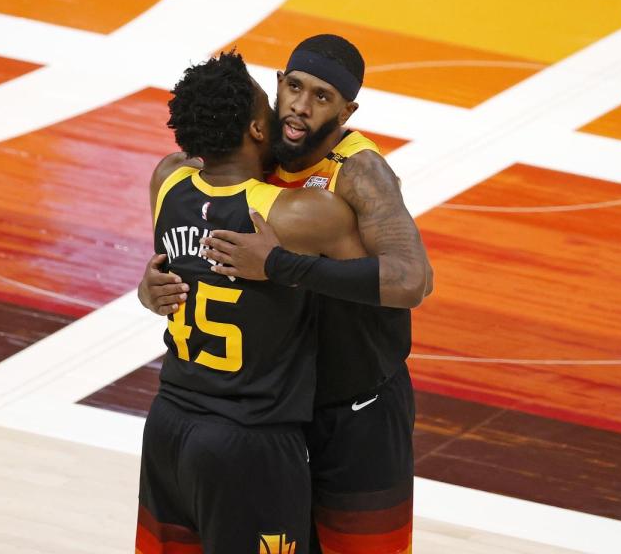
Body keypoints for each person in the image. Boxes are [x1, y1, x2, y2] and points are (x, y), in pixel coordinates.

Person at [140, 35, 431, 554]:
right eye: (294, 87)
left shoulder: (359, 172)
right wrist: (151, 285)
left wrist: (277, 264)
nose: (301, 105)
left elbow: (412, 281)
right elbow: (186, 217)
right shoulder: (252, 146)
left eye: (321, 97)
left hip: (354, 405)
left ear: (347, 110)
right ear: (277, 86)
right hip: (277, 414)